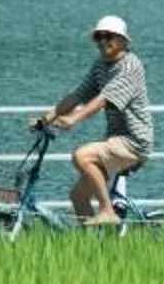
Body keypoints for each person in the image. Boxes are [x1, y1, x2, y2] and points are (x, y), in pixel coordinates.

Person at [31, 14, 152, 225]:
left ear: (123, 40)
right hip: (114, 140)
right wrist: (46, 119)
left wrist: (73, 120)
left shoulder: (130, 67)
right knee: (78, 196)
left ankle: (107, 211)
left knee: (82, 155)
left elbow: (103, 100)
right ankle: (96, 246)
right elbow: (78, 95)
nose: (103, 42)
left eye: (109, 37)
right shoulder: (100, 65)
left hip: (134, 142)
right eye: (98, 37)